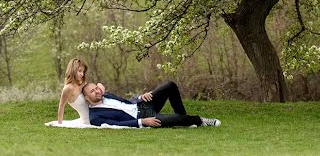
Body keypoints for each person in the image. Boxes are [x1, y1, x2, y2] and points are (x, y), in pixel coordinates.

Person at [82, 80, 221, 128]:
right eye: (92, 92)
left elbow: (125, 102)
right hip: (143, 116)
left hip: (142, 104)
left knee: (170, 85)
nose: (97, 91)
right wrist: (143, 122)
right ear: (87, 98)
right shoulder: (95, 117)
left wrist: (140, 97)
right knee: (176, 120)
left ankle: (184, 118)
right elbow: (116, 125)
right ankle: (199, 121)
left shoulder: (105, 95)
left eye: (96, 88)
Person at [56, 57, 91, 124]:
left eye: (83, 71)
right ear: (73, 70)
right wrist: (59, 124)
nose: (82, 74)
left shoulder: (83, 83)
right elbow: (61, 105)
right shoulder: (68, 88)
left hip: (96, 113)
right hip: (88, 120)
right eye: (80, 71)